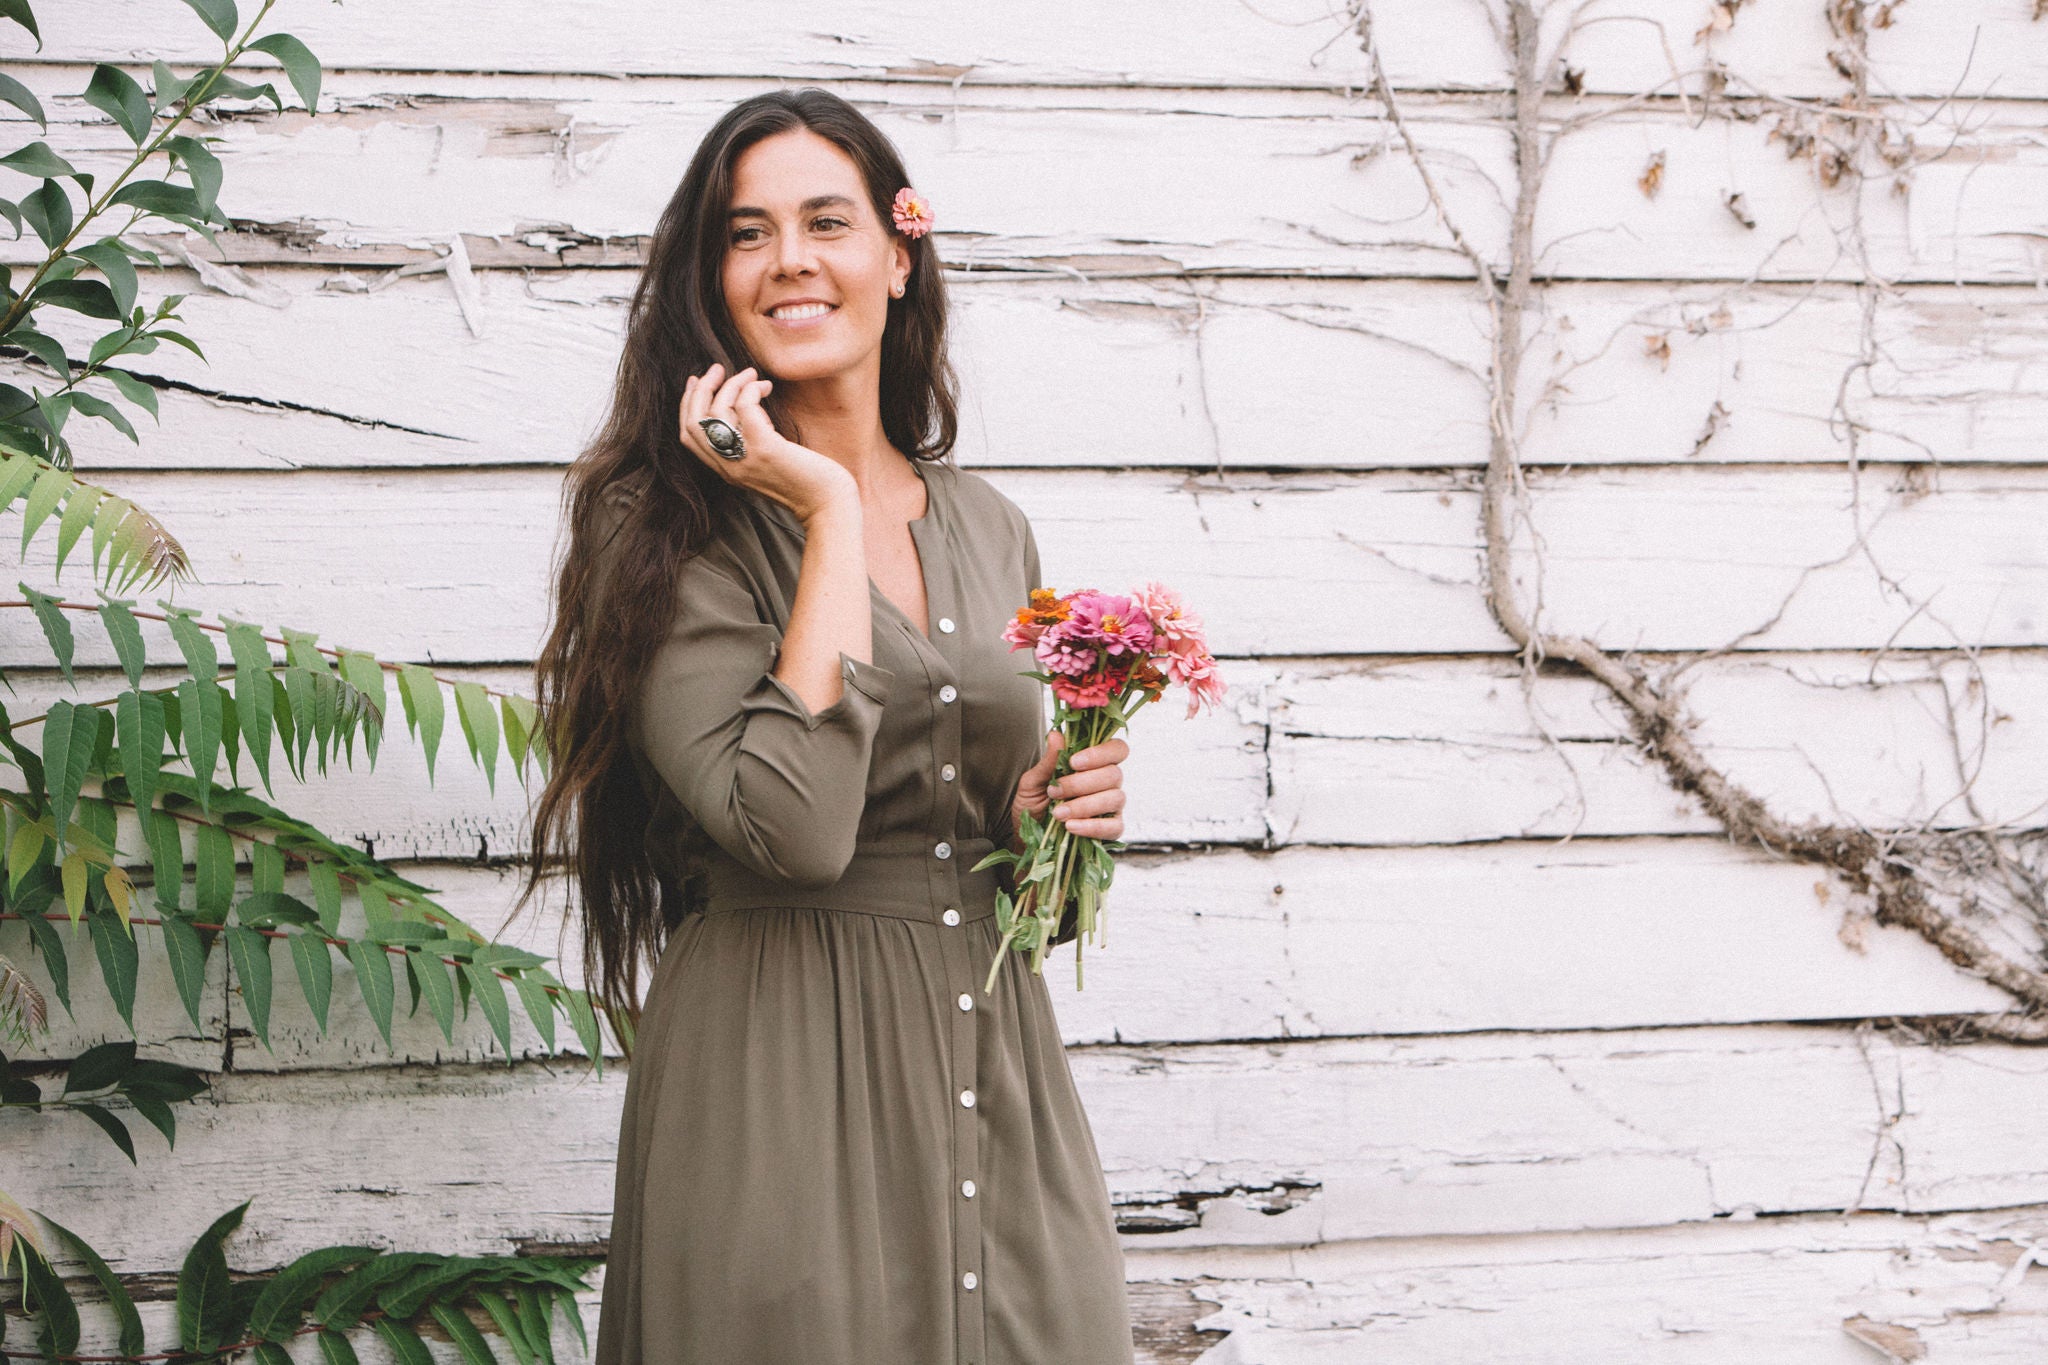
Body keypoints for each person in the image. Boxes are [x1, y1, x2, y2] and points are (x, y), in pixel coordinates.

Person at [519, 87, 1139, 1364]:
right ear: (711, 280)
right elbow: (792, 834)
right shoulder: (660, 530)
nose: (789, 260)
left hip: (994, 1069)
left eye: (825, 221)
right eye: (746, 234)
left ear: (896, 254)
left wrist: (1051, 831)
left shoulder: (990, 526)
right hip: (779, 1084)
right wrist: (824, 515)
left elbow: (1024, 888)